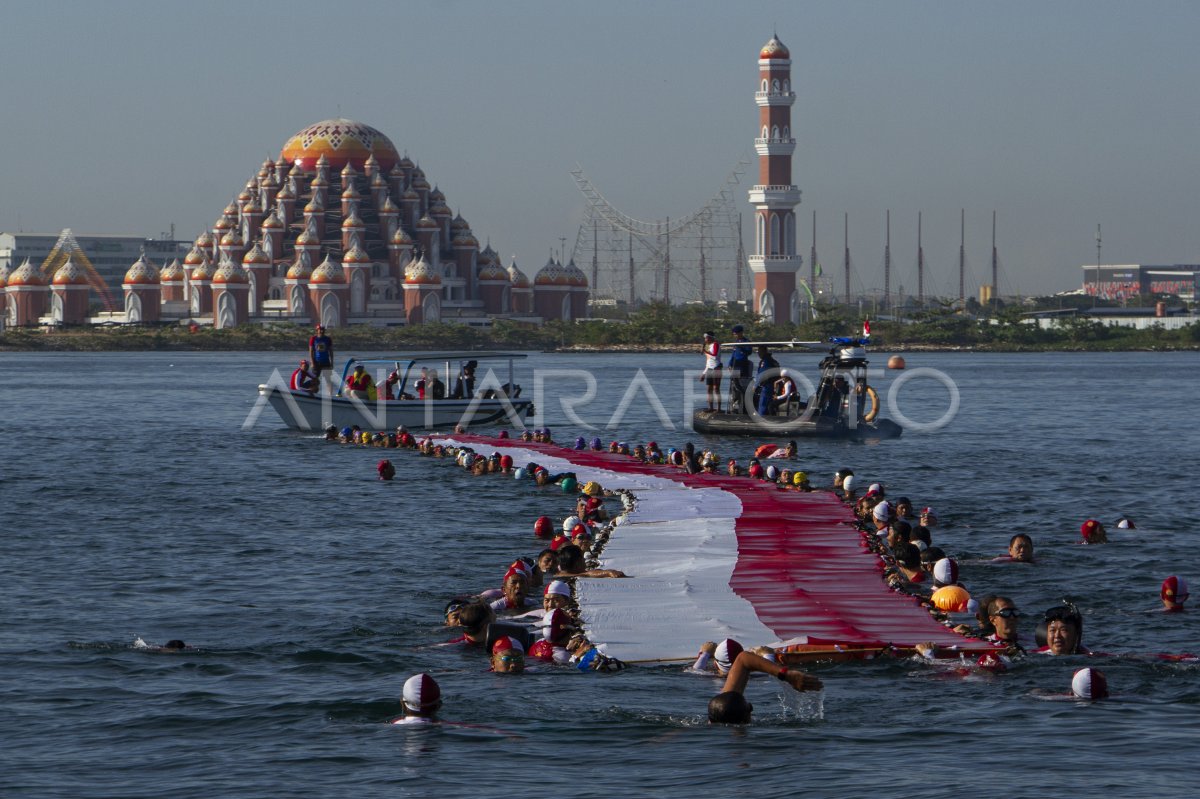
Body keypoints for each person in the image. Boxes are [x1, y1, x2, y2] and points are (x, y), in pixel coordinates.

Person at [707, 651, 822, 724]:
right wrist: (785, 675)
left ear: (710, 720)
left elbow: (743, 659)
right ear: (748, 713)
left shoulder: (724, 706)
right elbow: (743, 657)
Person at [727, 324, 753, 413]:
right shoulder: (736, 342)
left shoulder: (746, 341)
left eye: (736, 333)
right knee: (734, 384)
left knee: (742, 384)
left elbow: (749, 352)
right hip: (736, 365)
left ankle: (744, 402)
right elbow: (733, 355)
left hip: (743, 365)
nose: (735, 335)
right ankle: (736, 401)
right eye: (734, 334)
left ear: (740, 333)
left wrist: (742, 347)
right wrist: (730, 364)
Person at [700, 332, 722, 412]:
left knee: (716, 388)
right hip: (710, 369)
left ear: (711, 338)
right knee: (709, 389)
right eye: (705, 338)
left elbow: (715, 354)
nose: (705, 340)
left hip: (716, 368)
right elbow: (708, 362)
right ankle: (710, 407)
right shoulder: (708, 346)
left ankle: (719, 408)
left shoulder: (715, 344)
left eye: (707, 338)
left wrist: (706, 351)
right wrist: (703, 373)